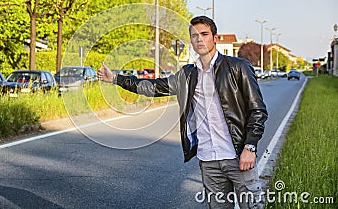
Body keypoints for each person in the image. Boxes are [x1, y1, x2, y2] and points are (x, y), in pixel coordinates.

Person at [97, 15, 268, 208]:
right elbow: (152, 87)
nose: (199, 39)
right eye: (194, 36)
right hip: (208, 160)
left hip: (238, 156)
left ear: (216, 38)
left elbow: (258, 110)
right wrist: (115, 79)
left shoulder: (237, 67)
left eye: (204, 34)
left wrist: (250, 147)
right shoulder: (187, 75)